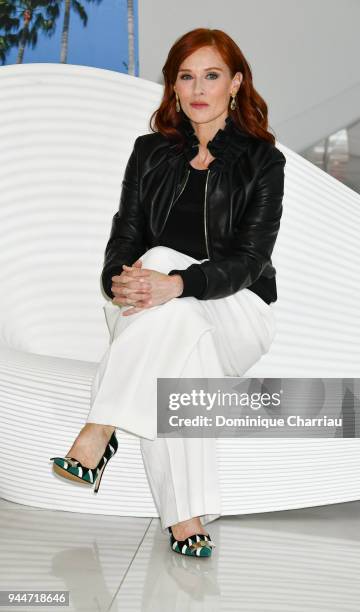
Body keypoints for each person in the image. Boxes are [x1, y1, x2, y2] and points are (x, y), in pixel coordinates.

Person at [50, 27, 286, 558]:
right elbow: (124, 236)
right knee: (177, 331)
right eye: (186, 76)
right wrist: (116, 277)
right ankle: (185, 517)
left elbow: (249, 263)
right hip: (146, 309)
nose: (198, 88)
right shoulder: (149, 152)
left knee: (163, 268)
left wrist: (177, 282)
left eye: (212, 75)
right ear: (174, 87)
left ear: (236, 83)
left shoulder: (263, 163)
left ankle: (101, 425)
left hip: (237, 312)